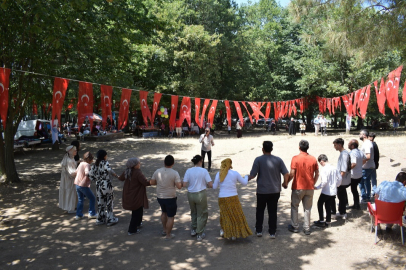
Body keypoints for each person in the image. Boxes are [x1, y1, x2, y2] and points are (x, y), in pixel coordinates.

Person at [249, 141, 289, 238]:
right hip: (275, 190)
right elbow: (286, 173)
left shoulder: (258, 160)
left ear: (263, 149)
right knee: (272, 211)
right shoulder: (278, 160)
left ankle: (259, 230)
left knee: (260, 210)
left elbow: (253, 175)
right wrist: (285, 183)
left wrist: (243, 179)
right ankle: (272, 231)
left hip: (262, 190)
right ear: (272, 149)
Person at [283, 140, 319, 235]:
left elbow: (292, 173)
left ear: (299, 147)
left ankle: (295, 226)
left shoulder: (295, 158)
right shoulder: (313, 159)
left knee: (295, 206)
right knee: (307, 208)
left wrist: (286, 182)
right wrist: (313, 183)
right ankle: (307, 227)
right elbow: (317, 173)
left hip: (298, 186)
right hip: (309, 187)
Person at [213, 158, 253, 240]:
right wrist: (246, 176)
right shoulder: (235, 173)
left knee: (225, 215)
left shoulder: (219, 174)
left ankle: (225, 231)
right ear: (230, 164)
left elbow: (214, 187)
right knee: (235, 215)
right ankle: (235, 233)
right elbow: (244, 183)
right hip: (233, 197)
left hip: (222, 198)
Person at [150, 155, 182, 240]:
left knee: (164, 212)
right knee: (170, 216)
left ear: (164, 162)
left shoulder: (157, 171)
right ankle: (168, 234)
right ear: (173, 163)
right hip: (170, 197)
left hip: (160, 196)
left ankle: (164, 230)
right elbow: (179, 186)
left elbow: (152, 182)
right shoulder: (174, 173)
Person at [183, 155, 213, 241]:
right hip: (200, 194)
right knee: (202, 213)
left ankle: (193, 229)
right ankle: (199, 233)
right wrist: (206, 185)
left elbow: (184, 184)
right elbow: (210, 184)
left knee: (193, 212)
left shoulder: (188, 171)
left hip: (190, 194)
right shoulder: (204, 171)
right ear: (200, 161)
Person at [118, 157, 151, 235]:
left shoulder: (126, 171)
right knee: (136, 212)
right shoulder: (138, 172)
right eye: (138, 163)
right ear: (134, 165)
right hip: (136, 195)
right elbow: (145, 182)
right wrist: (154, 181)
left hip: (128, 194)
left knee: (139, 209)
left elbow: (121, 178)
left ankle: (138, 223)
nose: (140, 164)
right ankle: (132, 230)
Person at [89, 150, 119, 226]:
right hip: (106, 184)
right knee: (109, 202)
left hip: (98, 185)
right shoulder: (105, 163)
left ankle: (100, 219)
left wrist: (96, 179)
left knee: (100, 203)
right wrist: (116, 175)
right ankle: (110, 219)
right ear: (104, 156)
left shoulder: (94, 165)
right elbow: (109, 170)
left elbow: (90, 175)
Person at [313, 154, 342, 227]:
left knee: (320, 203)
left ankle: (321, 220)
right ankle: (328, 221)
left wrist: (318, 187)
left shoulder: (324, 169)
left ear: (322, 161)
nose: (321, 165)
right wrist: (337, 185)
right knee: (328, 206)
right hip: (333, 191)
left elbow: (324, 181)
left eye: (320, 163)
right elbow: (340, 178)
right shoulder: (334, 168)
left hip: (326, 191)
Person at [331, 138, 351, 219]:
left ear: (339, 145)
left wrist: (338, 181)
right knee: (342, 196)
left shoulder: (344, 154)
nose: (334, 147)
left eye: (335, 145)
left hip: (342, 180)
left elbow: (343, 169)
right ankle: (342, 212)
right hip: (343, 180)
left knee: (332, 195)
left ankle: (333, 212)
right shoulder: (344, 153)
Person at [74, 152, 97, 220]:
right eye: (92, 159)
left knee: (80, 199)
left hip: (77, 184)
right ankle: (92, 213)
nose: (92, 161)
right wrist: (91, 176)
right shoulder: (87, 165)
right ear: (89, 159)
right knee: (92, 198)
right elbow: (87, 173)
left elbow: (76, 172)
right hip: (83, 185)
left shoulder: (81, 164)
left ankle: (78, 215)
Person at [347, 139, 365, 210]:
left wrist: (347, 169)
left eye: (349, 144)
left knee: (353, 189)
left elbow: (354, 163)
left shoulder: (353, 153)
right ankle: (356, 204)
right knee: (354, 189)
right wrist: (360, 166)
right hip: (359, 174)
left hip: (354, 175)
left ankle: (356, 204)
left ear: (352, 146)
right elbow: (365, 158)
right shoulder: (360, 151)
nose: (348, 145)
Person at [59, 145, 78, 213]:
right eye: (75, 151)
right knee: (70, 192)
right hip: (69, 179)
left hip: (67, 179)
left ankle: (70, 206)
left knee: (70, 192)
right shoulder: (69, 160)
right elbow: (71, 172)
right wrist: (79, 171)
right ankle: (70, 208)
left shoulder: (70, 158)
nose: (76, 151)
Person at [359, 129, 375, 203]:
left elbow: (368, 156)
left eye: (360, 134)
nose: (359, 135)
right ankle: (367, 197)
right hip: (369, 166)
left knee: (361, 182)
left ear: (364, 135)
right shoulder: (367, 143)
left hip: (366, 167)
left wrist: (360, 164)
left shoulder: (367, 144)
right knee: (367, 182)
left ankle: (364, 197)